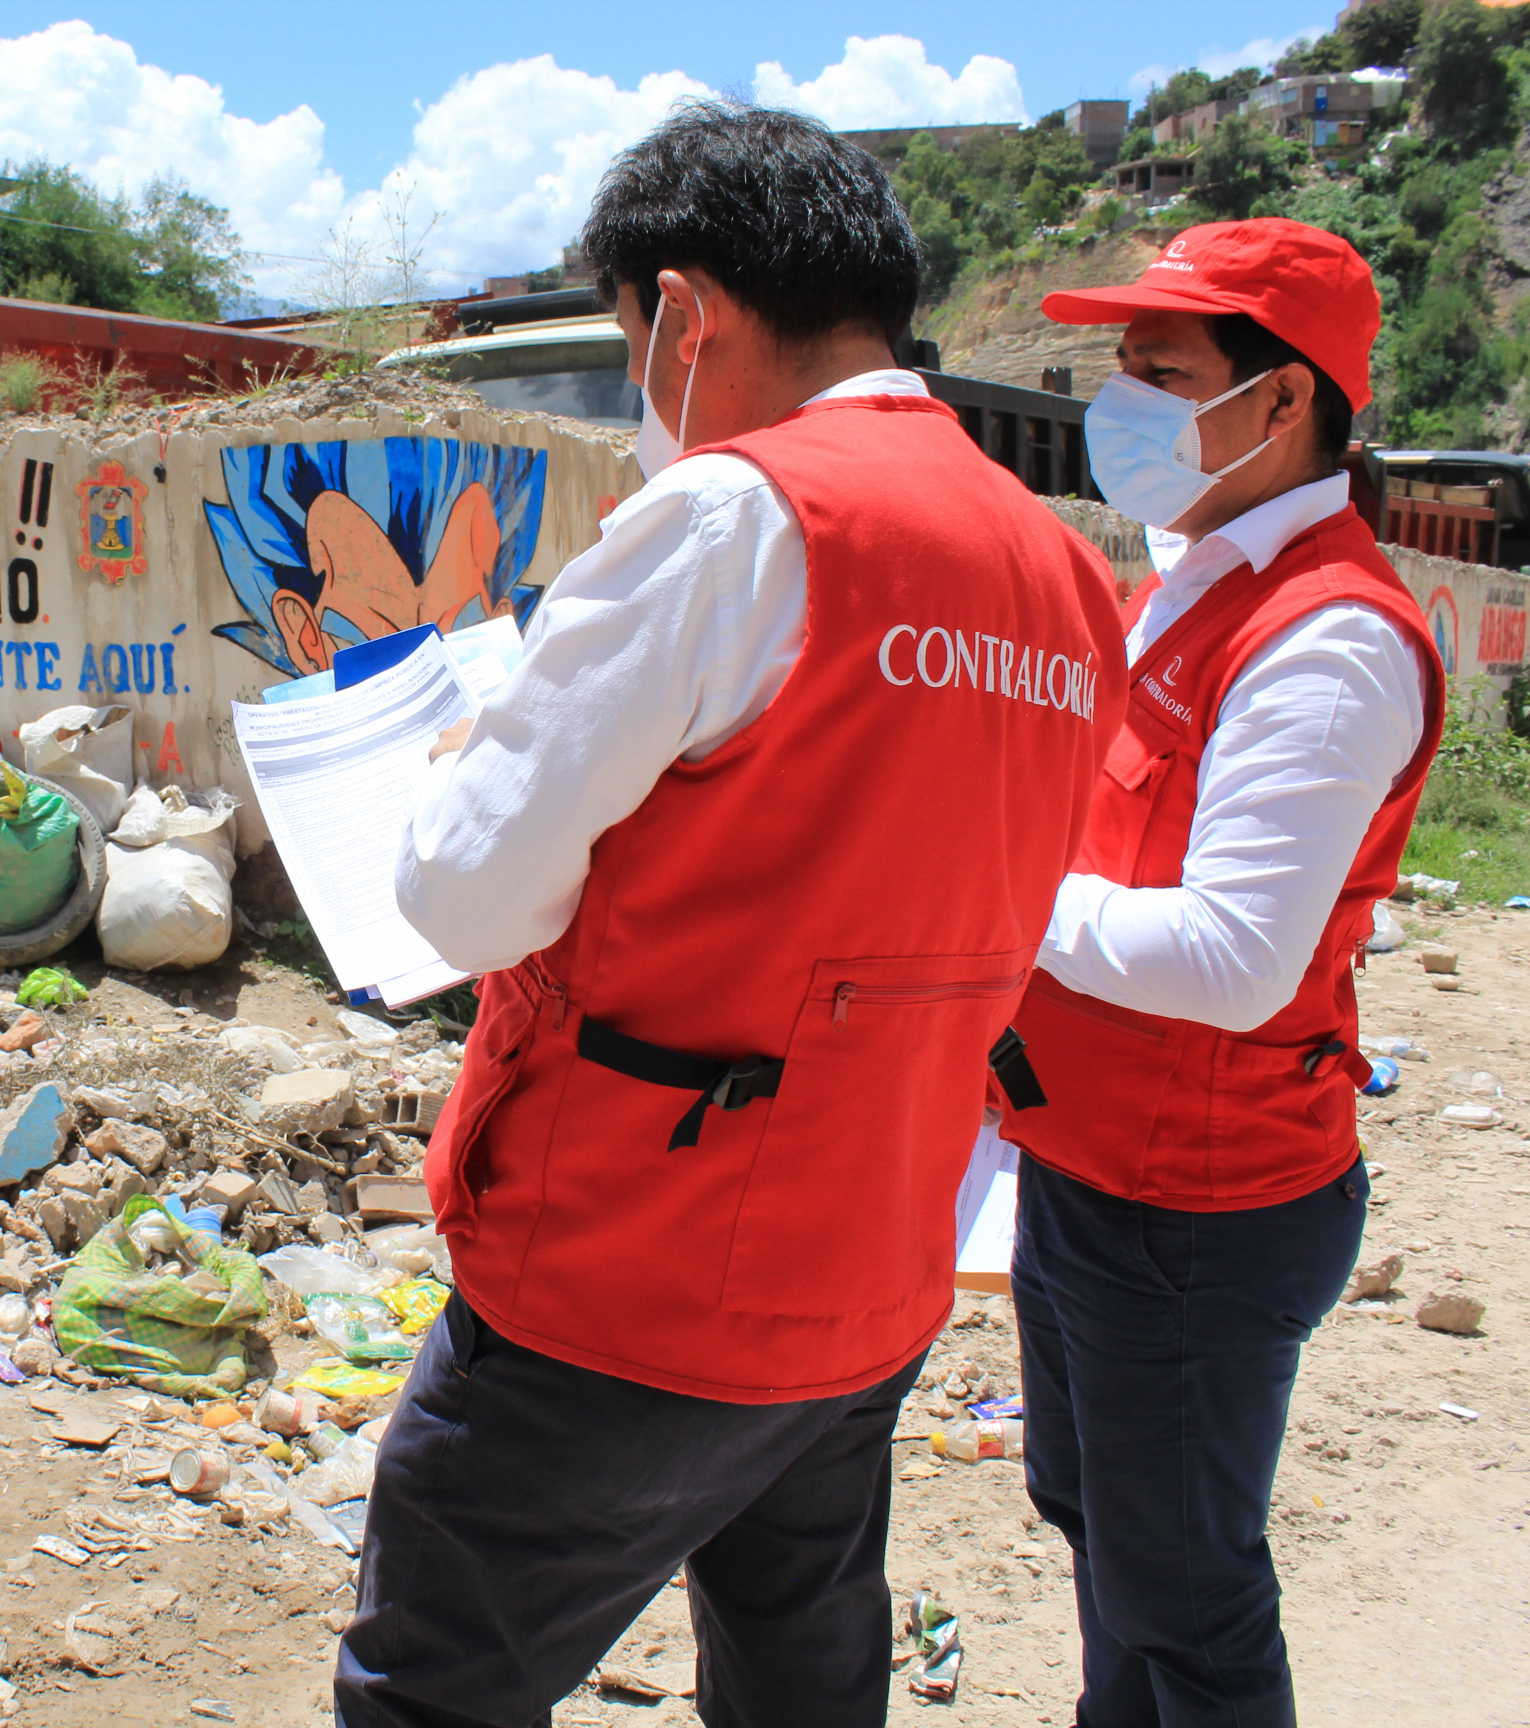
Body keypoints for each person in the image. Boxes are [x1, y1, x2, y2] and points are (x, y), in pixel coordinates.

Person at [335, 102, 1126, 1728]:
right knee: (798, 1676)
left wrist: (470, 759)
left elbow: (465, 896)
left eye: (634, 342)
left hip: (630, 1270)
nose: (642, 394)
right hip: (873, 1259)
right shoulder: (1056, 571)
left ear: (684, 316)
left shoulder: (731, 517)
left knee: (434, 1691)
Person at [1000, 218, 1441, 1728]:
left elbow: (1237, 959)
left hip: (1195, 1199)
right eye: (1117, 367)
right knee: (1105, 1539)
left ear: (1281, 401)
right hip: (1090, 1166)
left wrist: (997, 893)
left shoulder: (1328, 642)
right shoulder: (1195, 577)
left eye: (1160, 371)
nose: (1120, 402)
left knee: (1183, 1602)